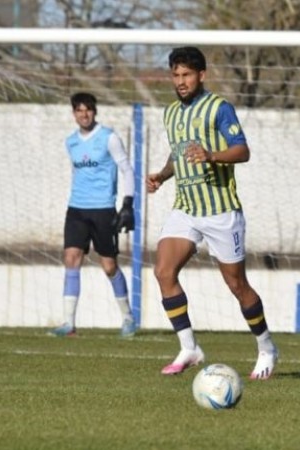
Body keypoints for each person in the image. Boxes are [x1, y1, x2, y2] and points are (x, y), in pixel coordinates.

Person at [146, 46, 278, 379]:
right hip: (186, 207)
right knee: (163, 271)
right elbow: (178, 154)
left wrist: (211, 155)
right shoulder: (171, 113)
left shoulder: (219, 108)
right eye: (176, 75)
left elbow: (242, 150)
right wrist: (162, 176)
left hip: (220, 210)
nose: (181, 81)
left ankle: (266, 347)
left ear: (201, 75)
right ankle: (189, 347)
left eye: (187, 75)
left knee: (237, 285)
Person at [51, 92, 136, 338]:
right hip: (76, 209)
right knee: (71, 258)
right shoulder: (71, 142)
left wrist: (127, 204)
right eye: (79, 110)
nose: (84, 114)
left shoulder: (109, 138)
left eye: (88, 109)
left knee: (109, 266)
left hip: (103, 210)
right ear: (74, 114)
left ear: (94, 111)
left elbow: (126, 170)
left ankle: (128, 317)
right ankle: (68, 323)